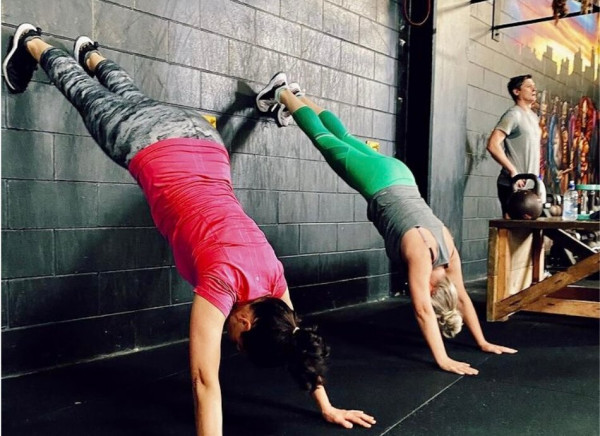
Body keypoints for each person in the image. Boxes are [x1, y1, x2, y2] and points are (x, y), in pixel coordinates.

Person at [2, 24, 376, 435]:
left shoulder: (274, 282)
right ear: (247, 324)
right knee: (83, 94)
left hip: (202, 138)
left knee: (134, 99)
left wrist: (327, 406)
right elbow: (204, 383)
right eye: (237, 340)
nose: (230, 337)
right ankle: (33, 41)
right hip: (150, 146)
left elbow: (298, 341)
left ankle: (92, 54)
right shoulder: (221, 286)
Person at [256, 72, 518, 377]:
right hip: (379, 182)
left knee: (345, 138)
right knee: (325, 141)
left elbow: (461, 298)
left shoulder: (449, 253)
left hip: (401, 175)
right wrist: (443, 359)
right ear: (434, 288)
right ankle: (282, 93)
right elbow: (422, 310)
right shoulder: (423, 258)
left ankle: (299, 98)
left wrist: (483, 342)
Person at [486, 74, 542, 218]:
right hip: (513, 185)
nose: (534, 89)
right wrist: (513, 171)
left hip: (531, 185)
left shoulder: (533, 117)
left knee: (530, 234)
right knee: (512, 233)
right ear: (517, 92)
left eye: (534, 86)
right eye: (529, 86)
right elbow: (493, 144)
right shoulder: (513, 115)